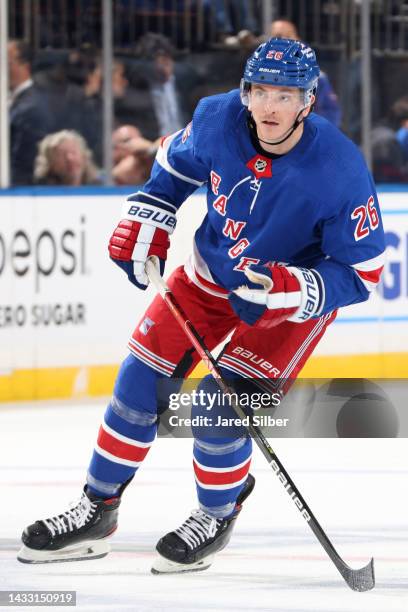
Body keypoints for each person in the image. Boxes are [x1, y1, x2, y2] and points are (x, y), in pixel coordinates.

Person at [18, 38, 385, 573]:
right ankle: (97, 509)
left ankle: (216, 511)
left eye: (285, 96)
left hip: (283, 303)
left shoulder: (340, 170)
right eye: (260, 91)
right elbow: (172, 169)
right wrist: (150, 213)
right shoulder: (217, 118)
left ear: (308, 101)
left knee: (217, 408)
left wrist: (290, 290)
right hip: (207, 278)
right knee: (137, 386)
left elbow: (361, 271)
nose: (269, 107)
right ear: (246, 91)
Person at [270, 18, 342, 127]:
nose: (284, 40)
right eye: (278, 36)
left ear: (298, 40)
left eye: (289, 36)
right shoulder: (254, 75)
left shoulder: (317, 77)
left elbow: (331, 114)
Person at [8, 39, 53, 185]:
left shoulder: (30, 107)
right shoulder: (12, 100)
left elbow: (21, 164)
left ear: (25, 66)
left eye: (7, 62)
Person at [33, 130, 101, 186]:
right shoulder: (41, 193)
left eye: (74, 152)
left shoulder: (101, 189)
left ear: (84, 157)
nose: (69, 158)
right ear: (50, 163)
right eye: (61, 154)